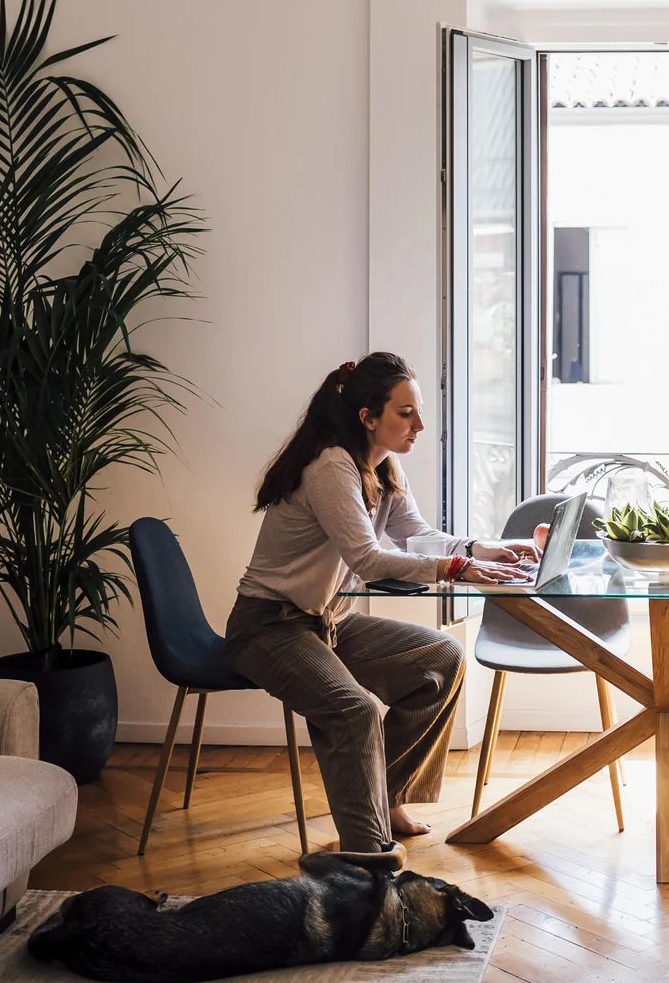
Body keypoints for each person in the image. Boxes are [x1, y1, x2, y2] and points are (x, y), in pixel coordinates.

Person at [226, 352, 538, 855]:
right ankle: (366, 857)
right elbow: (368, 559)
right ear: (367, 418)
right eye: (406, 413)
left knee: (442, 659)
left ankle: (387, 798)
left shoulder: (383, 465)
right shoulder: (332, 466)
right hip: (268, 626)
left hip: (327, 621)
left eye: (417, 412)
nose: (420, 426)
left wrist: (481, 549)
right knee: (355, 711)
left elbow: (416, 535)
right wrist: (455, 569)